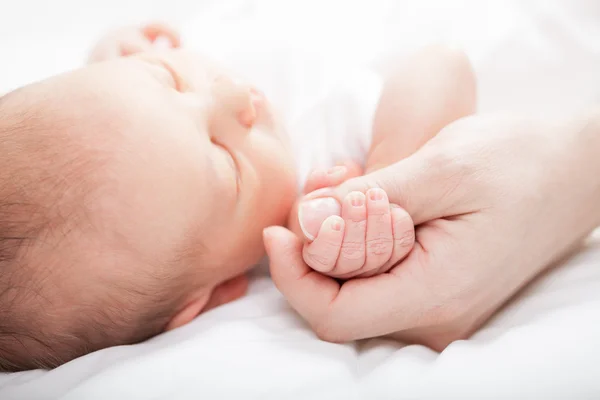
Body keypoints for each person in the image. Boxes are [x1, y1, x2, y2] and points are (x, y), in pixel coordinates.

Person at [0, 23, 474, 371]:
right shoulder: (323, 193)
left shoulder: (143, 148)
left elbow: (106, 157)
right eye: (226, 163)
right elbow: (440, 66)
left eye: (169, 79)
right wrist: (385, 187)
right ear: (207, 298)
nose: (233, 97)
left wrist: (117, 64)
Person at [265, 107, 600, 349]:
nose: (245, 106)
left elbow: (443, 61)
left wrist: (388, 165)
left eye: (216, 83)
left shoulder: (309, 110)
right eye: (227, 159)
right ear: (212, 295)